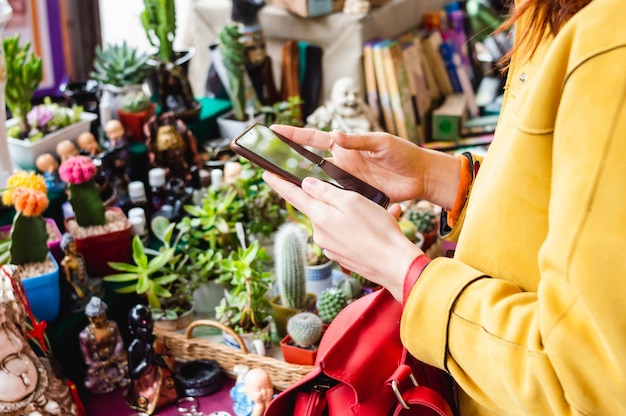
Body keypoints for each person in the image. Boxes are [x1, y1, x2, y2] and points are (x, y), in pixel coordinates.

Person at [261, 0, 626, 414]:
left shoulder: (609, 44)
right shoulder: (565, 13)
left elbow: (584, 383)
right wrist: (443, 179)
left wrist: (403, 270)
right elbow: (551, 191)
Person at [125, 304, 178, 415]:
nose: (147, 328)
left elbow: (169, 359)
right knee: (146, 397)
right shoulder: (133, 348)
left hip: (162, 378)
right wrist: (147, 362)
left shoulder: (159, 341)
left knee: (171, 390)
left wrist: (159, 360)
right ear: (132, 329)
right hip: (145, 384)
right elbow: (133, 373)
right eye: (142, 326)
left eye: (149, 323)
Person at [78, 296, 129, 394]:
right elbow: (87, 358)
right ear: (90, 318)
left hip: (115, 358)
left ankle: (117, 377)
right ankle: (107, 381)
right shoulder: (85, 335)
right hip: (99, 364)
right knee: (89, 383)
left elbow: (119, 342)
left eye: (102, 316)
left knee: (130, 367)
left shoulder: (112, 326)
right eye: (96, 318)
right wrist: (100, 364)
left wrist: (114, 357)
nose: (100, 320)